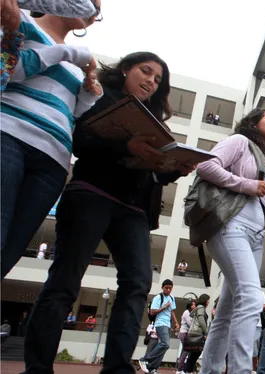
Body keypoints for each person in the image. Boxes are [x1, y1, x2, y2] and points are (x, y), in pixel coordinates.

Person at [23, 51, 191, 374]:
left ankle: (117, 368)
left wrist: (172, 168)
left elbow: (149, 173)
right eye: (146, 72)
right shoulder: (100, 95)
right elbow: (81, 140)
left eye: (158, 80)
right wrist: (125, 146)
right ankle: (38, 367)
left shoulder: (153, 119)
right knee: (65, 281)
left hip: (132, 208)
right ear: (126, 69)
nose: (151, 82)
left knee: (138, 282)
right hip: (91, 194)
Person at [0, 4, 102, 280]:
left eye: (97, 12)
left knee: (11, 249)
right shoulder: (17, 18)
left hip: (54, 160)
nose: (93, 13)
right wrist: (65, 52)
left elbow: (72, 113)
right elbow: (10, 68)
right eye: (91, 4)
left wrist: (88, 94)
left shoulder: (78, 66)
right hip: (8, 135)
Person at [196, 108, 265, 374]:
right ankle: (241, 370)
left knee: (226, 311)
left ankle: (209, 370)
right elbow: (205, 165)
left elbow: (262, 200)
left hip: (256, 236)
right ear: (254, 123)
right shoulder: (239, 142)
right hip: (230, 226)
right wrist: (247, 185)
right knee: (251, 298)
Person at [139, 279, 179, 374]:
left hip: (168, 325)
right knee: (165, 344)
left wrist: (176, 323)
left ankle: (153, 368)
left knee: (164, 348)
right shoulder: (158, 297)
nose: (168, 290)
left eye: (170, 288)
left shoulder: (172, 298)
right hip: (160, 324)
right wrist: (164, 306)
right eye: (166, 288)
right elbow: (152, 311)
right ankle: (145, 359)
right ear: (162, 287)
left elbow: (172, 311)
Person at [184, 294, 211, 374]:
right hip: (198, 332)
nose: (209, 302)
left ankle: (188, 370)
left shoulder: (197, 308)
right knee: (197, 352)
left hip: (193, 332)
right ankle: (189, 370)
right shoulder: (201, 308)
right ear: (205, 300)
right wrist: (206, 332)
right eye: (208, 300)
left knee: (193, 352)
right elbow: (201, 320)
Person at [177, 299, 196, 373]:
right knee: (186, 350)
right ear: (190, 305)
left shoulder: (191, 313)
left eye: (195, 304)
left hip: (187, 334)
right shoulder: (186, 312)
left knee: (184, 351)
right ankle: (179, 369)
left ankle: (180, 367)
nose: (194, 306)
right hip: (184, 333)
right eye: (193, 304)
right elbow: (190, 324)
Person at [254, 292, 265, 371]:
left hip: (257, 325)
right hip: (243, 324)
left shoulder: (260, 292)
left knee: (254, 349)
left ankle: (253, 370)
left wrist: (256, 305)